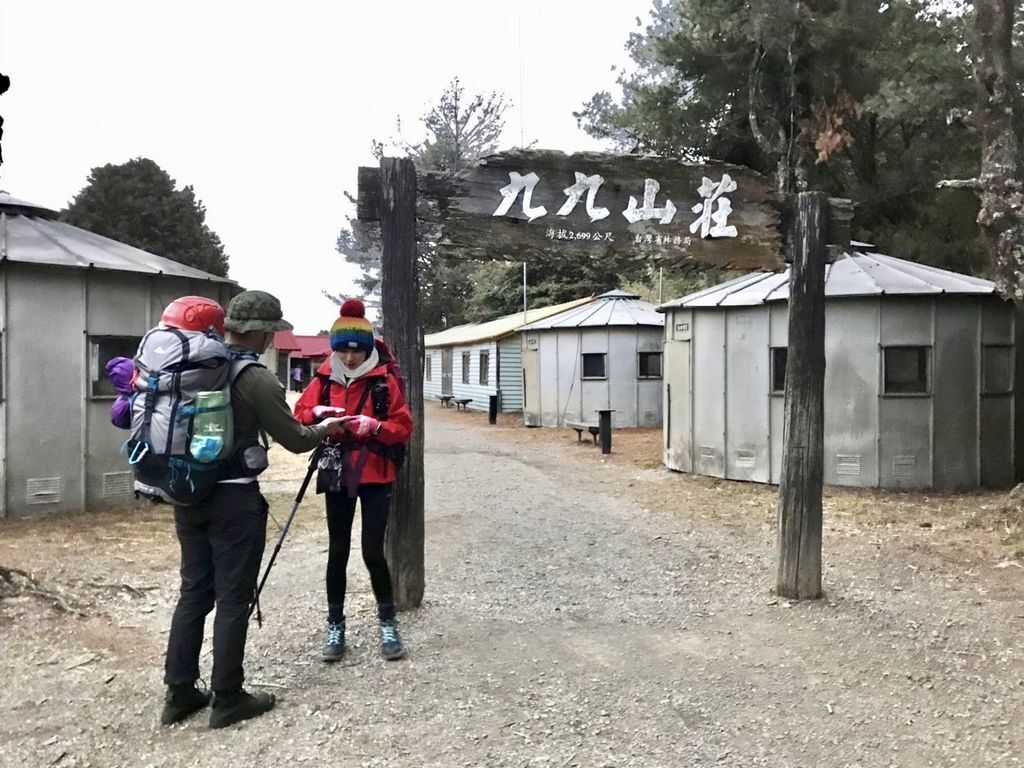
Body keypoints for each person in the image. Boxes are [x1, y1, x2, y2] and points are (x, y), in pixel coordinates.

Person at [161, 290, 350, 729]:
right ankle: (228, 697)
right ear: (264, 332)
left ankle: (180, 693)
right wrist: (326, 427)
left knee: (193, 592)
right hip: (234, 501)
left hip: (188, 494)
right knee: (232, 598)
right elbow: (297, 439)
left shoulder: (189, 366)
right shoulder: (254, 377)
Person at [294, 298, 413, 663]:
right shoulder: (324, 379)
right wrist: (318, 412)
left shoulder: (384, 382)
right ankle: (335, 625)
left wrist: (375, 426)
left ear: (367, 349)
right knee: (338, 551)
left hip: (376, 473)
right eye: (342, 350)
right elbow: (299, 413)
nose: (349, 358)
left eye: (356, 350)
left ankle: (388, 622)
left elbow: (404, 427)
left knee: (372, 551)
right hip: (337, 469)